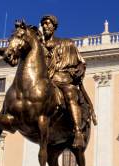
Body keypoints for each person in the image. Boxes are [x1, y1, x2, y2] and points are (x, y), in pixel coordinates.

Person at [39, 15, 96, 147]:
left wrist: (80, 70)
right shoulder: (39, 46)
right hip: (45, 79)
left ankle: (77, 132)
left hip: (63, 79)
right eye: (44, 24)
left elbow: (81, 62)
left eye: (48, 24)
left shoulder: (67, 43)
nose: (45, 26)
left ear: (54, 27)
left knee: (70, 94)